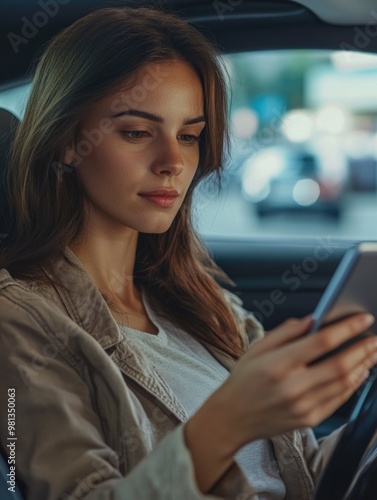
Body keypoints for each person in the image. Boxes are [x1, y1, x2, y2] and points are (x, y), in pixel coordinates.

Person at [0, 6, 376, 500]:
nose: (173, 163)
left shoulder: (206, 302)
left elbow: (297, 477)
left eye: (189, 136)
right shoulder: (19, 319)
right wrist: (227, 422)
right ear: (68, 140)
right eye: (137, 132)